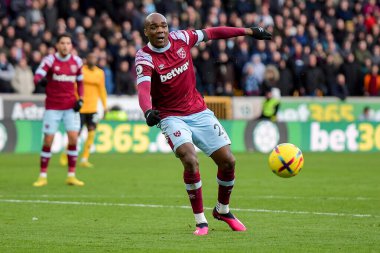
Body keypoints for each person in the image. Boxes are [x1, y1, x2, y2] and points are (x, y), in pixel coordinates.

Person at [135, 13, 272, 236]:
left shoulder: (181, 38)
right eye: (153, 27)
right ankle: (200, 221)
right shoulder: (144, 57)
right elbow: (143, 89)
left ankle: (223, 210)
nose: (160, 31)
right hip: (171, 116)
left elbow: (214, 32)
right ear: (146, 32)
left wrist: (248, 31)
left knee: (228, 161)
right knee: (190, 159)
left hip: (198, 111)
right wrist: (148, 111)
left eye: (163, 26)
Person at [32, 33, 85, 187]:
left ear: (71, 46)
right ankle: (42, 175)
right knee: (48, 140)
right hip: (53, 107)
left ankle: (71, 175)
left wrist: (80, 99)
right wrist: (40, 81)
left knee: (74, 138)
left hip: (70, 106)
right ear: (57, 45)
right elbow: (38, 74)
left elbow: (81, 83)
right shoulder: (50, 60)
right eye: (62, 43)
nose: (65, 46)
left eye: (68, 43)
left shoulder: (77, 61)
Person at [60, 52, 107, 168]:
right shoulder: (80, 71)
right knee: (76, 135)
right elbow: (75, 87)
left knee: (91, 133)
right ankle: (65, 154)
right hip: (80, 109)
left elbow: (102, 90)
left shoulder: (100, 73)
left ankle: (85, 158)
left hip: (93, 109)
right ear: (86, 60)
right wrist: (75, 101)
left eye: (94, 58)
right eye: (90, 57)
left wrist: (105, 106)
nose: (92, 60)